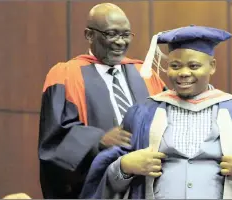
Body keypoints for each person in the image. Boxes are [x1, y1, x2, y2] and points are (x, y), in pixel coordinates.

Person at [79, 25, 232, 199]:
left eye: (194, 65)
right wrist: (124, 166)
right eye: (175, 65)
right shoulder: (143, 113)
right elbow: (105, 180)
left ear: (211, 66)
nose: (183, 73)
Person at [38, 3, 165, 199]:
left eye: (125, 35)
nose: (120, 42)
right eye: (111, 34)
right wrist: (98, 140)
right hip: (98, 189)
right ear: (89, 35)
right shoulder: (65, 75)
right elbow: (55, 137)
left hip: (147, 185)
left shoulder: (146, 75)